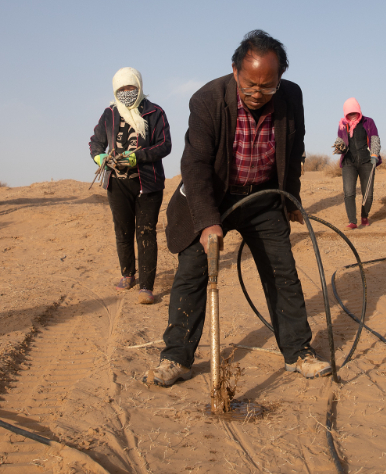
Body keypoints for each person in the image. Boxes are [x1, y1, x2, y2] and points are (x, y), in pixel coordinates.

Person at [144, 30, 332, 387]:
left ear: (280, 78)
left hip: (262, 195)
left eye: (268, 86)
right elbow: (195, 166)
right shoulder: (208, 100)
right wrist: (208, 222)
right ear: (235, 72)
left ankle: (298, 351)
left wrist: (291, 196)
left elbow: (294, 149)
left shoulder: (291, 97)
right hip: (212, 195)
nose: (258, 94)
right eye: (250, 86)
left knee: (283, 272)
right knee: (194, 270)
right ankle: (176, 358)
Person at [89, 67, 171, 304]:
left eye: (131, 88)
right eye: (122, 89)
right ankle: (128, 274)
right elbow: (96, 142)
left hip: (148, 183)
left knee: (145, 232)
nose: (127, 92)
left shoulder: (155, 112)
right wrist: (100, 158)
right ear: (116, 90)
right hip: (117, 183)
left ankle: (146, 286)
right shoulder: (110, 113)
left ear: (139, 86)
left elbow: (165, 145)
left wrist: (139, 157)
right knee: (122, 230)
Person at [334, 98, 381, 229]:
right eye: (349, 113)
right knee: (349, 192)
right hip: (349, 162)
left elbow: (375, 139)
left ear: (359, 111)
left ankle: (364, 215)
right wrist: (339, 147)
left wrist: (375, 155)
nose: (352, 115)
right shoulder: (342, 124)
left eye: (354, 111)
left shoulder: (368, 122)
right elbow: (339, 140)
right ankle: (352, 221)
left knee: (368, 193)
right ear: (345, 113)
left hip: (367, 161)